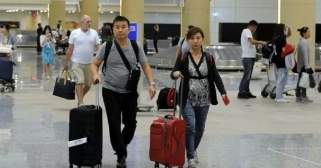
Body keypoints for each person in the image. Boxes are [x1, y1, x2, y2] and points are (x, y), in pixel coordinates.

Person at [91, 16, 156, 168]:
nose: (120, 29)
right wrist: (96, 75)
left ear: (128, 29)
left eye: (123, 27)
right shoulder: (106, 46)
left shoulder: (135, 46)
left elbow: (145, 66)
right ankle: (121, 154)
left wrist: (151, 84)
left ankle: (122, 146)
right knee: (113, 123)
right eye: (117, 27)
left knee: (131, 123)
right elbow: (95, 64)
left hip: (130, 92)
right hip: (110, 90)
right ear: (113, 29)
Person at [171, 27, 227, 168]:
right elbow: (173, 72)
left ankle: (192, 149)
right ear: (188, 40)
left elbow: (215, 76)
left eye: (198, 38)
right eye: (192, 38)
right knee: (190, 126)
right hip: (187, 97)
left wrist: (223, 92)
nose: (195, 41)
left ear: (202, 39)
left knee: (200, 128)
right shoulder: (183, 56)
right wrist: (177, 73)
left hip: (204, 97)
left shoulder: (209, 57)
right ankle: (190, 157)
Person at [63, 15, 100, 106]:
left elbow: (99, 47)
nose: (89, 23)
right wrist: (66, 62)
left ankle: (80, 98)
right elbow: (70, 48)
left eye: (90, 21)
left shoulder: (94, 33)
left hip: (89, 63)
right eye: (88, 21)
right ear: (82, 22)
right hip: (76, 62)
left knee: (88, 84)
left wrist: (100, 61)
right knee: (79, 82)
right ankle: (81, 103)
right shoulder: (74, 33)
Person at [238, 20, 266, 99]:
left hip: (250, 57)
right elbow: (251, 41)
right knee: (246, 75)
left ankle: (246, 92)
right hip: (247, 57)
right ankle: (241, 92)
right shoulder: (247, 31)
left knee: (248, 76)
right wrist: (260, 42)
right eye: (255, 28)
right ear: (252, 26)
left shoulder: (247, 32)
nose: (255, 29)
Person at [271, 24, 289, 103]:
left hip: (276, 60)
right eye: (285, 28)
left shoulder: (275, 37)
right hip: (281, 60)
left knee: (279, 78)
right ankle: (279, 97)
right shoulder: (281, 38)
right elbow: (284, 50)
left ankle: (278, 95)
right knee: (281, 79)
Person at [296, 27, 314, 103]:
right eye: (308, 32)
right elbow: (305, 55)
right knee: (304, 81)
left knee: (301, 80)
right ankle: (303, 96)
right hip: (304, 65)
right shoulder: (303, 42)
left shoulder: (302, 42)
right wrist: (307, 66)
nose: (309, 33)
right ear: (304, 33)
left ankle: (299, 96)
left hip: (302, 65)